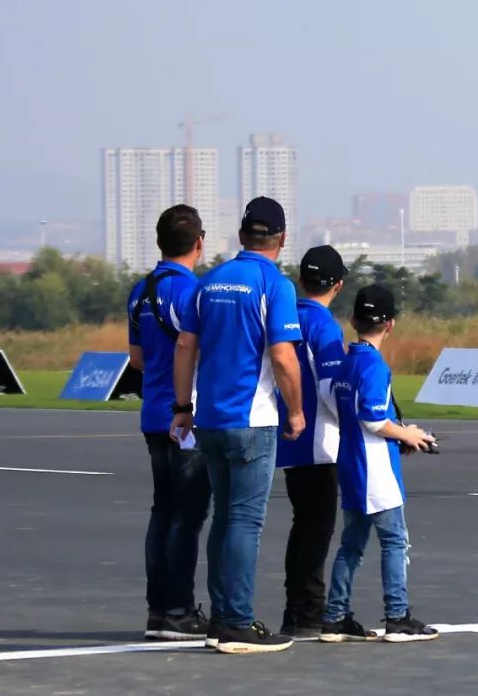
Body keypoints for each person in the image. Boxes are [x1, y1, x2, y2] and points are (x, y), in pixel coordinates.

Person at [170, 196, 304, 655]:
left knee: (224, 519)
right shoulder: (275, 284)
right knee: (245, 521)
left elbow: (185, 346)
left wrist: (182, 405)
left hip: (208, 419)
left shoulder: (209, 282)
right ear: (281, 239)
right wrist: (297, 410)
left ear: (242, 235)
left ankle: (222, 618)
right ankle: (237, 622)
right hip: (253, 419)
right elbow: (284, 356)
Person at [320, 284, 439, 643]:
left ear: (354, 321)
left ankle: (335, 616)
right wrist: (406, 436)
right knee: (394, 541)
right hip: (376, 471)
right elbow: (372, 418)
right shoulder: (374, 365)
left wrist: (401, 429)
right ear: (390, 324)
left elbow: (338, 407)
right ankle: (397, 616)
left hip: (351, 466)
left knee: (351, 545)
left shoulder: (346, 363)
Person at [127, 204, 209, 641]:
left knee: (162, 511)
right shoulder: (192, 292)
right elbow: (197, 348)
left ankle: (158, 610)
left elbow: (136, 358)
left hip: (152, 412)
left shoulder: (140, 290)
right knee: (188, 515)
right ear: (199, 243)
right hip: (186, 415)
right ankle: (179, 610)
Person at [275, 245, 348, 639]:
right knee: (317, 528)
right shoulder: (325, 326)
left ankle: (296, 608)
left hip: (288, 437)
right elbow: (332, 388)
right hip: (321, 441)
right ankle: (308, 611)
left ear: (301, 280)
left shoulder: (285, 316)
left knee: (302, 525)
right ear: (338, 285)